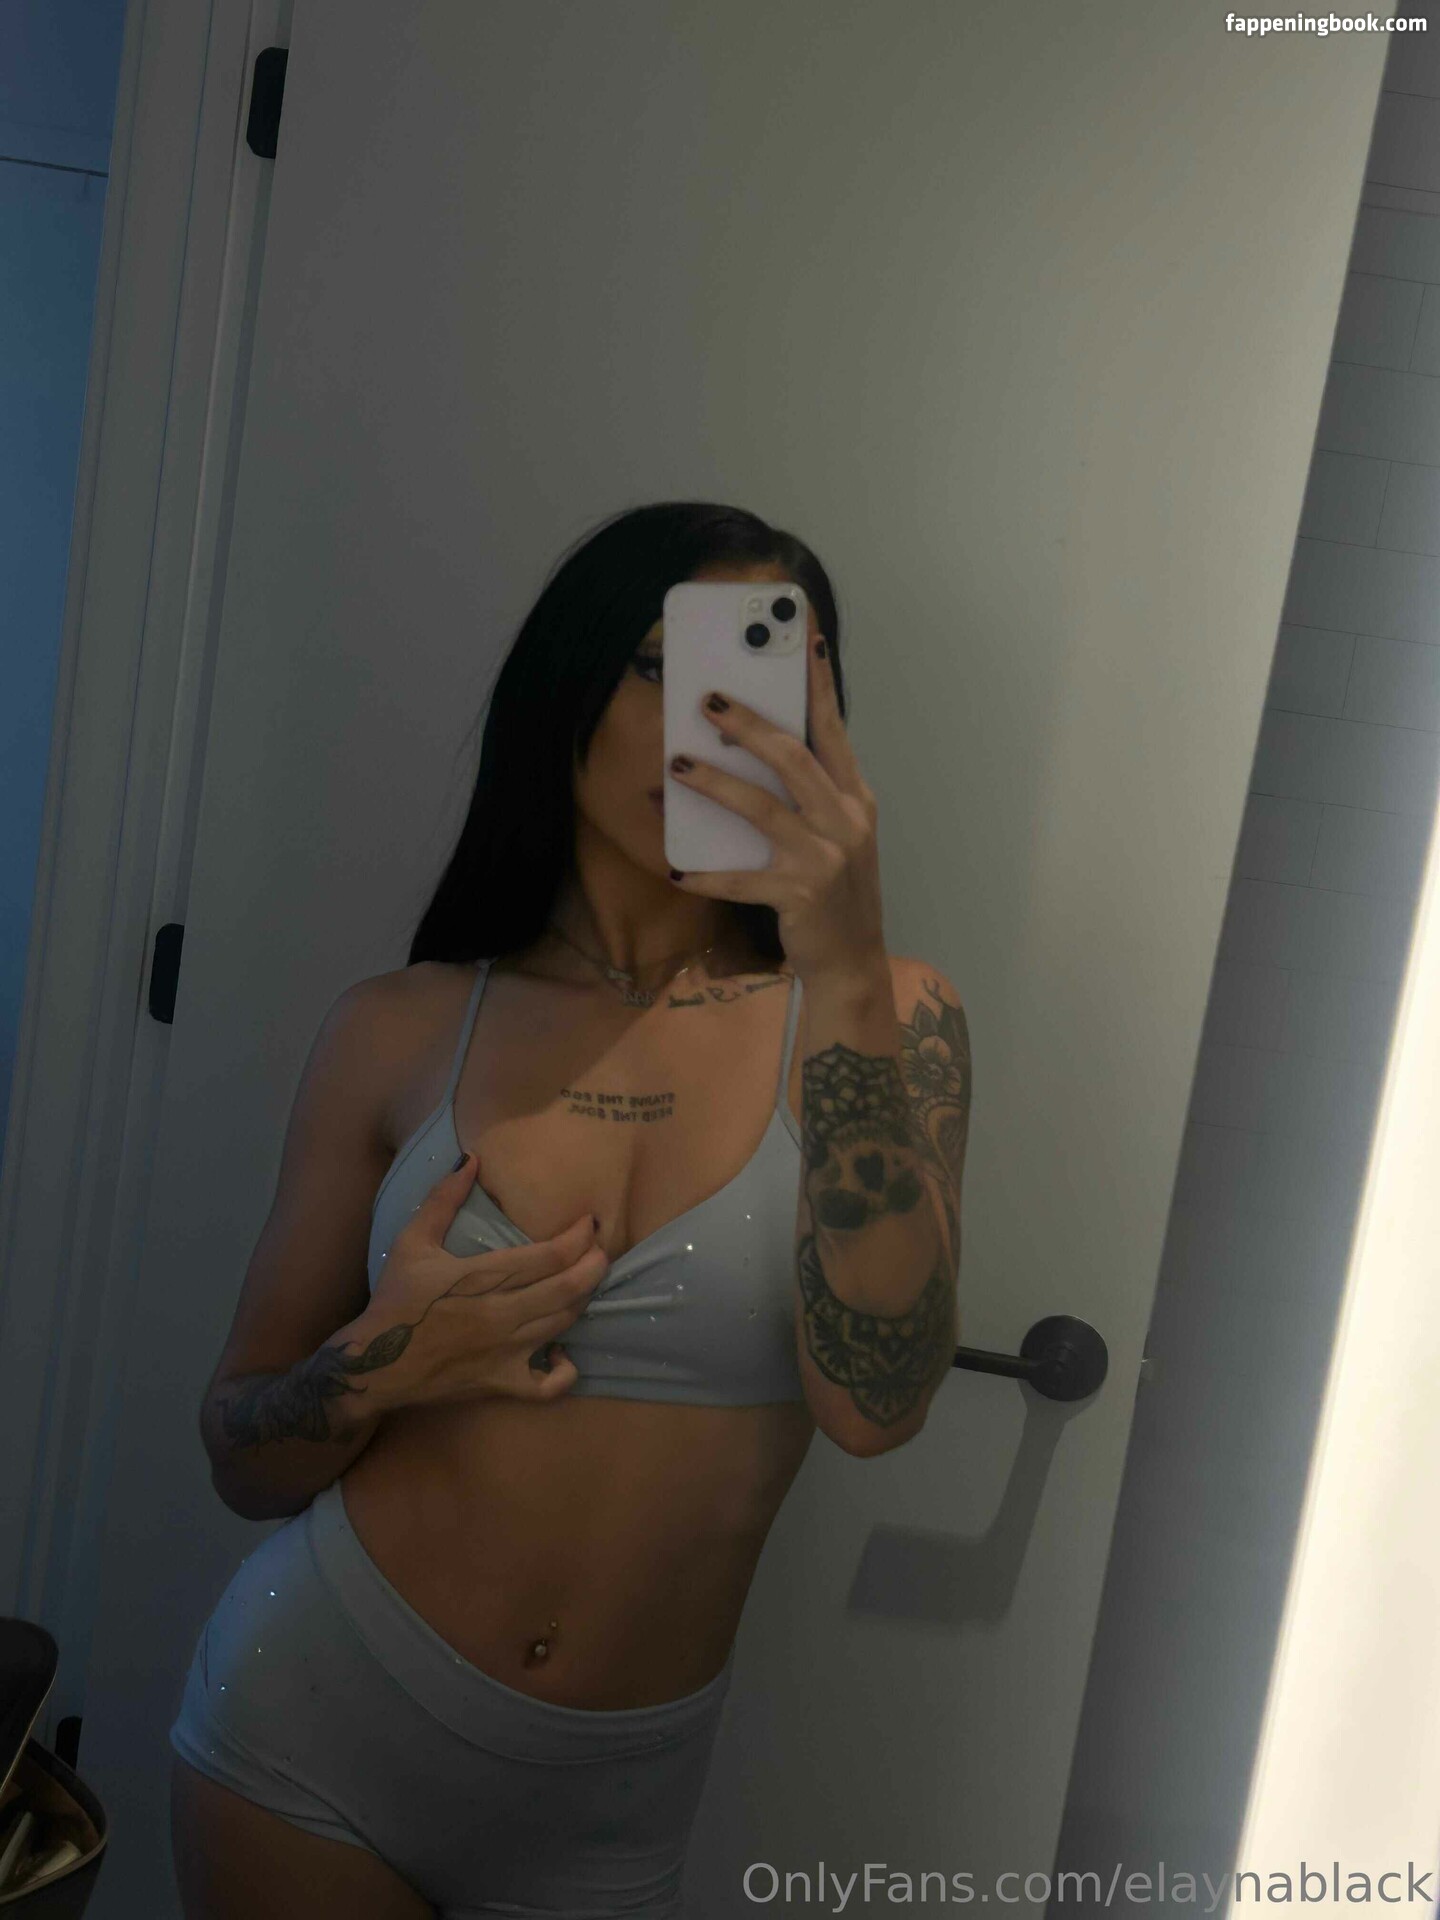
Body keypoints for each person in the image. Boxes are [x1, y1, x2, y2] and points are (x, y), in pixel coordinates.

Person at [167, 500, 971, 1919]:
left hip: (608, 1818)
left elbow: (877, 1407)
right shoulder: (400, 1027)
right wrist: (378, 1369)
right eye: (662, 665)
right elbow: (241, 1454)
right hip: (309, 1735)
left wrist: (845, 956)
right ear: (568, 686)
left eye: (762, 678)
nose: (710, 724)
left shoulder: (890, 1017)